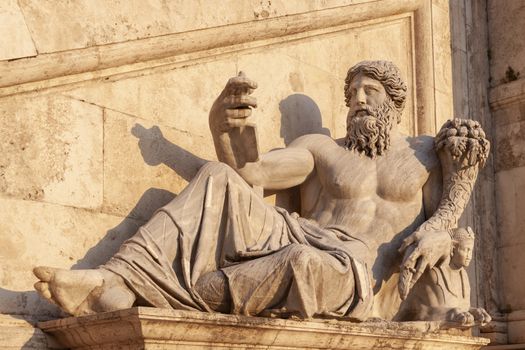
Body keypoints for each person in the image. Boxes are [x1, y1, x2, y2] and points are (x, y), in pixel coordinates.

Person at [33, 60, 488, 321]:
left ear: (394, 99)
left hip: (355, 272)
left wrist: (443, 234)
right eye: (351, 93)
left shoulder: (425, 154)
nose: (357, 100)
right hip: (298, 235)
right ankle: (115, 280)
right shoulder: (321, 148)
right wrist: (224, 127)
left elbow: (445, 219)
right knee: (218, 176)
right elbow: (253, 174)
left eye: (369, 91)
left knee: (302, 264)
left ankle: (151, 293)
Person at [396, 227, 491, 326]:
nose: (469, 256)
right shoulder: (433, 273)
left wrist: (474, 312)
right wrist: (452, 314)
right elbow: (423, 313)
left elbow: (460, 310)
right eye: (466, 250)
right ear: (453, 247)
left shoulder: (463, 275)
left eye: (470, 251)